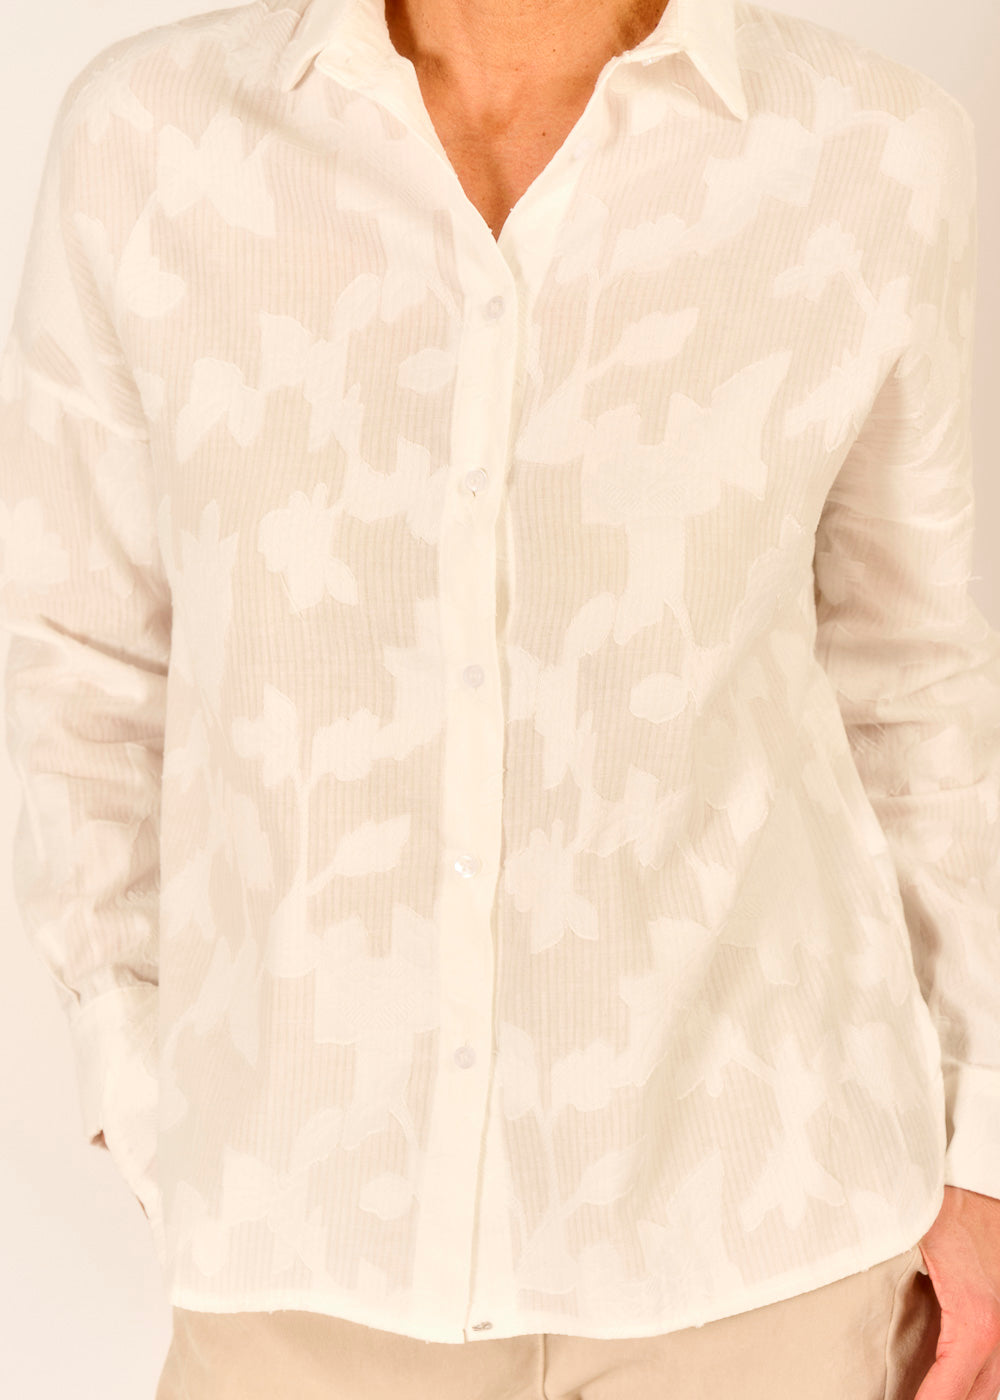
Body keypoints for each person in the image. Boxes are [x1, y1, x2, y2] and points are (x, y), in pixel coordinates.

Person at [1, 0, 999, 1395]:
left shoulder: (874, 151)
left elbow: (916, 687)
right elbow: (81, 652)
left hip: (774, 1254)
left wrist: (979, 1153)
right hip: (301, 1275)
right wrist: (132, 1069)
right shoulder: (151, 141)